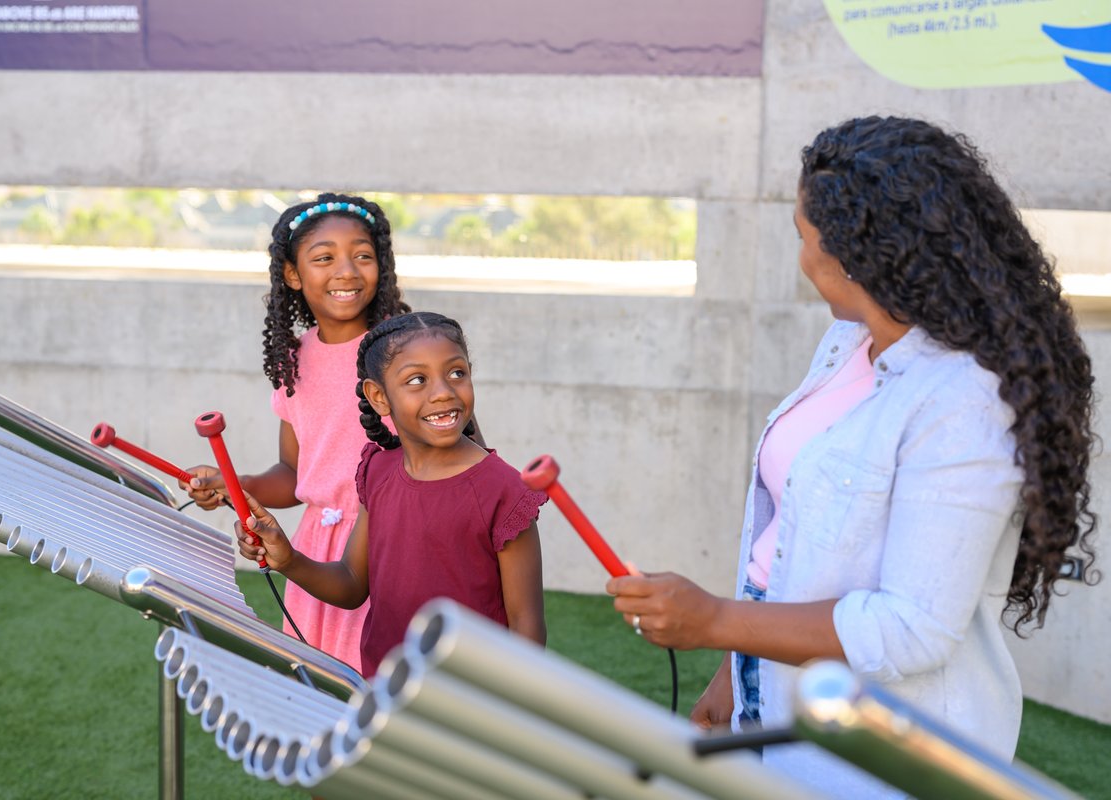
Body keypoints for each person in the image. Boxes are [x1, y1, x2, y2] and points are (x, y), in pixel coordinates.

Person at [607, 116, 1097, 797]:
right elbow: (790, 540)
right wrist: (735, 664)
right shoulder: (848, 342)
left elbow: (910, 628)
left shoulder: (965, 402)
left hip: (891, 752)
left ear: (857, 254)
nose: (803, 257)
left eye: (804, 238)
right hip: (775, 692)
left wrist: (715, 618)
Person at [235, 311, 548, 677]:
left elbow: (527, 627)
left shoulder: (504, 490)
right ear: (378, 397)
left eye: (457, 373)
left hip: (470, 705)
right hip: (385, 694)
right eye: (417, 380)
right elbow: (351, 583)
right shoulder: (377, 472)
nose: (444, 392)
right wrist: (288, 559)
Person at [181, 192, 410, 672]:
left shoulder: (407, 348)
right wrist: (234, 487)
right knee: (326, 695)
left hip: (392, 543)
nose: (346, 270)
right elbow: (293, 473)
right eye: (324, 258)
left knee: (386, 692)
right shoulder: (294, 360)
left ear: (381, 266)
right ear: (292, 274)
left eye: (362, 256)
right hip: (316, 551)